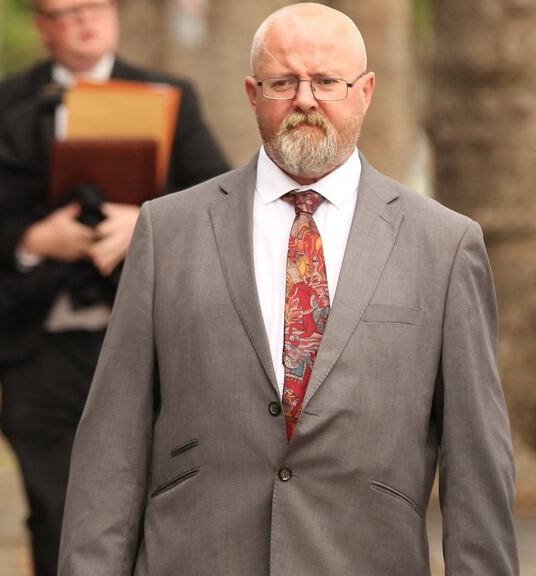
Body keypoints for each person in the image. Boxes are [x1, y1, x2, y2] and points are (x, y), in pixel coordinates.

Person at [58, 3, 519, 575]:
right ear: (253, 93)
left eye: (327, 81)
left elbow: (476, 463)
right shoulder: (168, 230)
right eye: (284, 82)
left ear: (366, 91)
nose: (305, 99)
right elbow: (112, 444)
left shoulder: (445, 246)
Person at [0, 0, 228, 574]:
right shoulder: (5, 101)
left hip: (146, 349)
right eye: (65, 10)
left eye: (95, 5)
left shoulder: (169, 94)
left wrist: (145, 223)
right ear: (41, 26)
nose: (84, 20)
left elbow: (219, 200)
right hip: (37, 344)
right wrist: (32, 240)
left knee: (151, 506)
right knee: (54, 509)